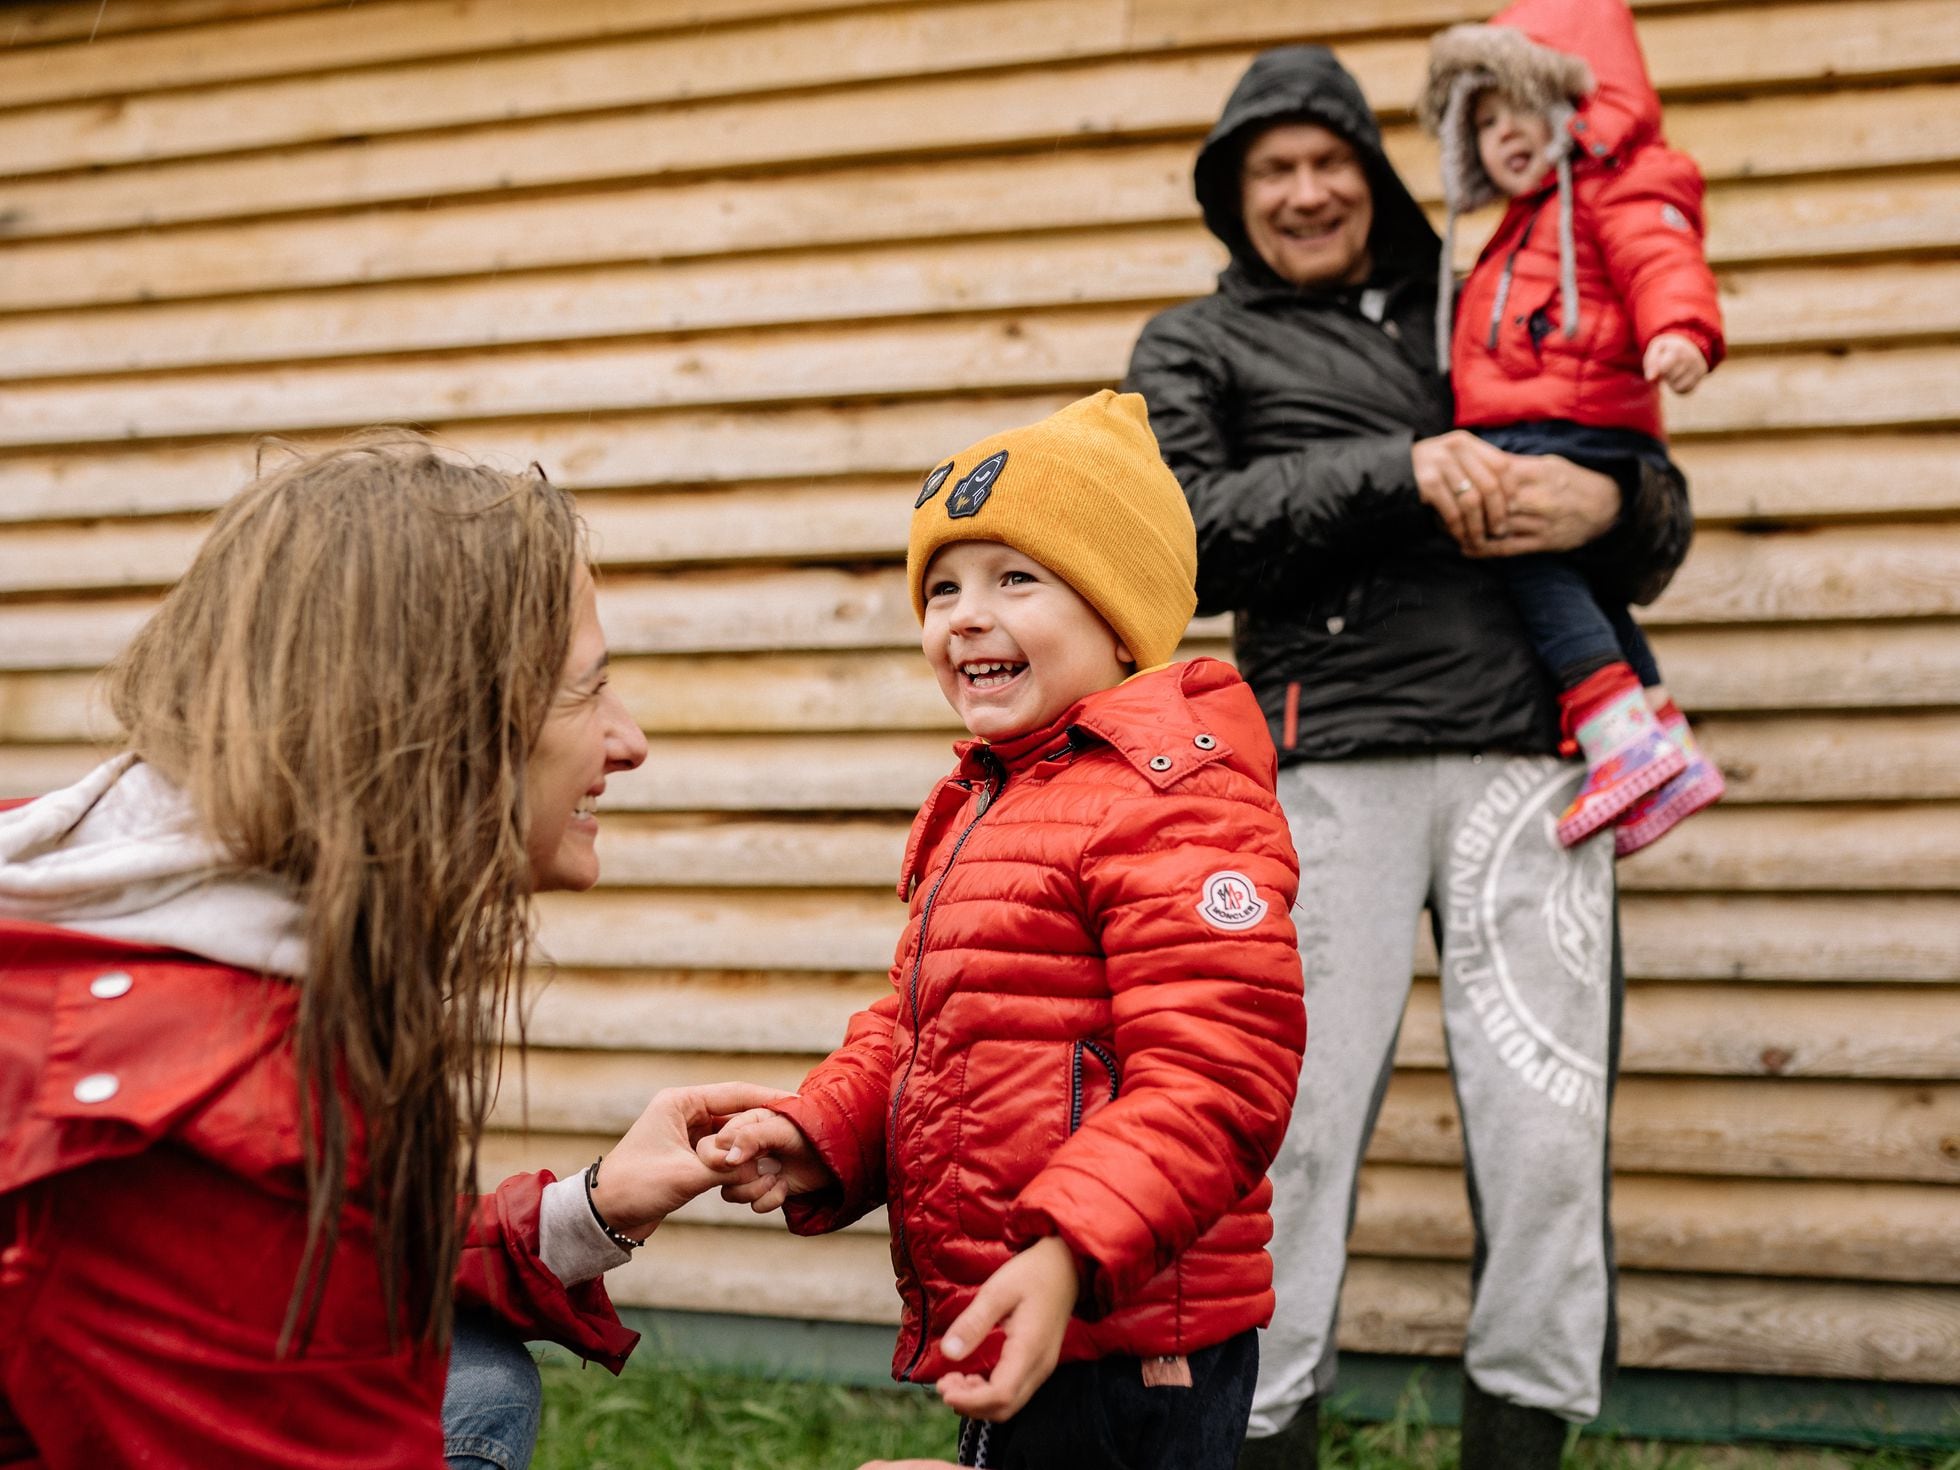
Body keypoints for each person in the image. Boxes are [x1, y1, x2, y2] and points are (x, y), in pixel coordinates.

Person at [1121, 45, 1695, 1470]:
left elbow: (1653, 503)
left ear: (1373, 173)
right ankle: (1262, 1437)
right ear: (1233, 199)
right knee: (1292, 1140)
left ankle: (1521, 1443)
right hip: (1325, 771)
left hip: (1534, 766)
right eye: (1274, 172)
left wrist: (1608, 499)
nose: (1309, 192)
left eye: (1330, 161)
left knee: (1547, 1141)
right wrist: (1400, 469)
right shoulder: (1192, 347)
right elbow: (1184, 532)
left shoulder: (1488, 288)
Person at [0, 433, 784, 1468]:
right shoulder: (207, 1115)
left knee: (475, 1373)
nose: (629, 741)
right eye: (587, 690)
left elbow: (298, 1266)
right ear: (437, 725)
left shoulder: (103, 885)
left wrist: (581, 1213)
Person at [701, 391, 1308, 1470]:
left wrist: (1069, 1248)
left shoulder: (1176, 801)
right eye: (940, 589)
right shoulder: (998, 794)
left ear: (1120, 616)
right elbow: (925, 1027)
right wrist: (822, 1131)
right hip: (1023, 1294)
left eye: (1014, 579)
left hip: (1129, 1330)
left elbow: (1220, 1073)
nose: (963, 616)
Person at [1421, 0, 1728, 852]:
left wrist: (1679, 332)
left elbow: (1662, 257)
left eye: (1523, 104)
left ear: (1580, 104)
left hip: (1573, 424)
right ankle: (1663, 735)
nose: (1504, 132)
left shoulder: (1618, 184)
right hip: (1557, 419)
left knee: (1529, 560)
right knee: (1587, 589)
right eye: (1483, 119)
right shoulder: (1523, 219)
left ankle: (1614, 735)